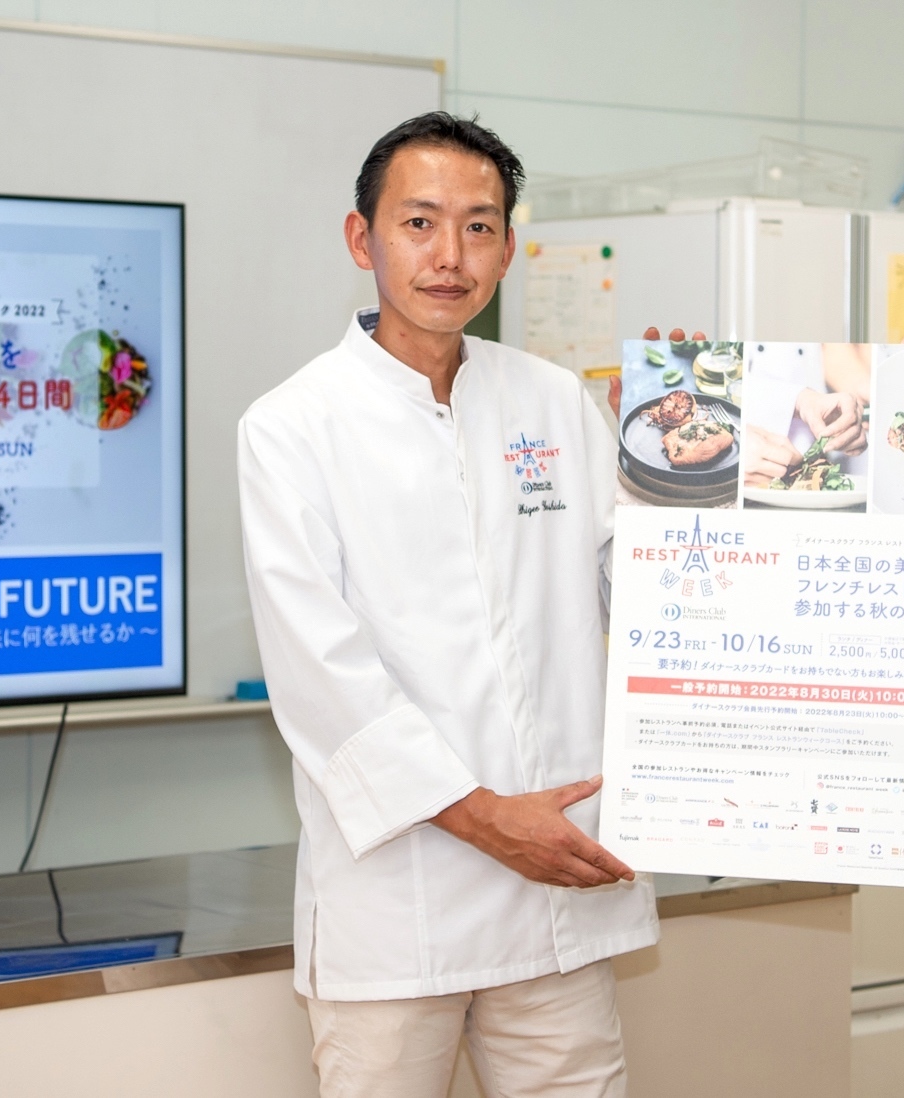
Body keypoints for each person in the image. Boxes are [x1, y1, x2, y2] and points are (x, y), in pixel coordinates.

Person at [241, 112, 651, 1097]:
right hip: (399, 915)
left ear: (508, 248)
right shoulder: (292, 427)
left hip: (558, 900)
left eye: (478, 227)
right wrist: (486, 819)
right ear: (362, 238)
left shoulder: (556, 403)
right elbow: (322, 678)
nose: (449, 255)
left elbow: (653, 589)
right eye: (419, 222)